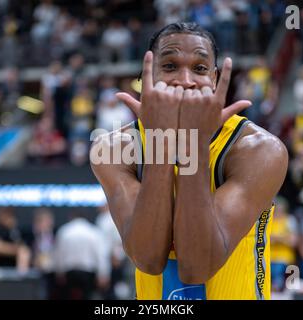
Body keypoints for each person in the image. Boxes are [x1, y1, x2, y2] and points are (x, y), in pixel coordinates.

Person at [91, 22, 288, 300]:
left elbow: (198, 266)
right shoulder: (113, 148)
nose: (185, 80)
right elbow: (147, 258)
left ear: (215, 79)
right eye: (170, 66)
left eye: (199, 68)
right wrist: (162, 143)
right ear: (147, 77)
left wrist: (192, 144)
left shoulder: (258, 149)